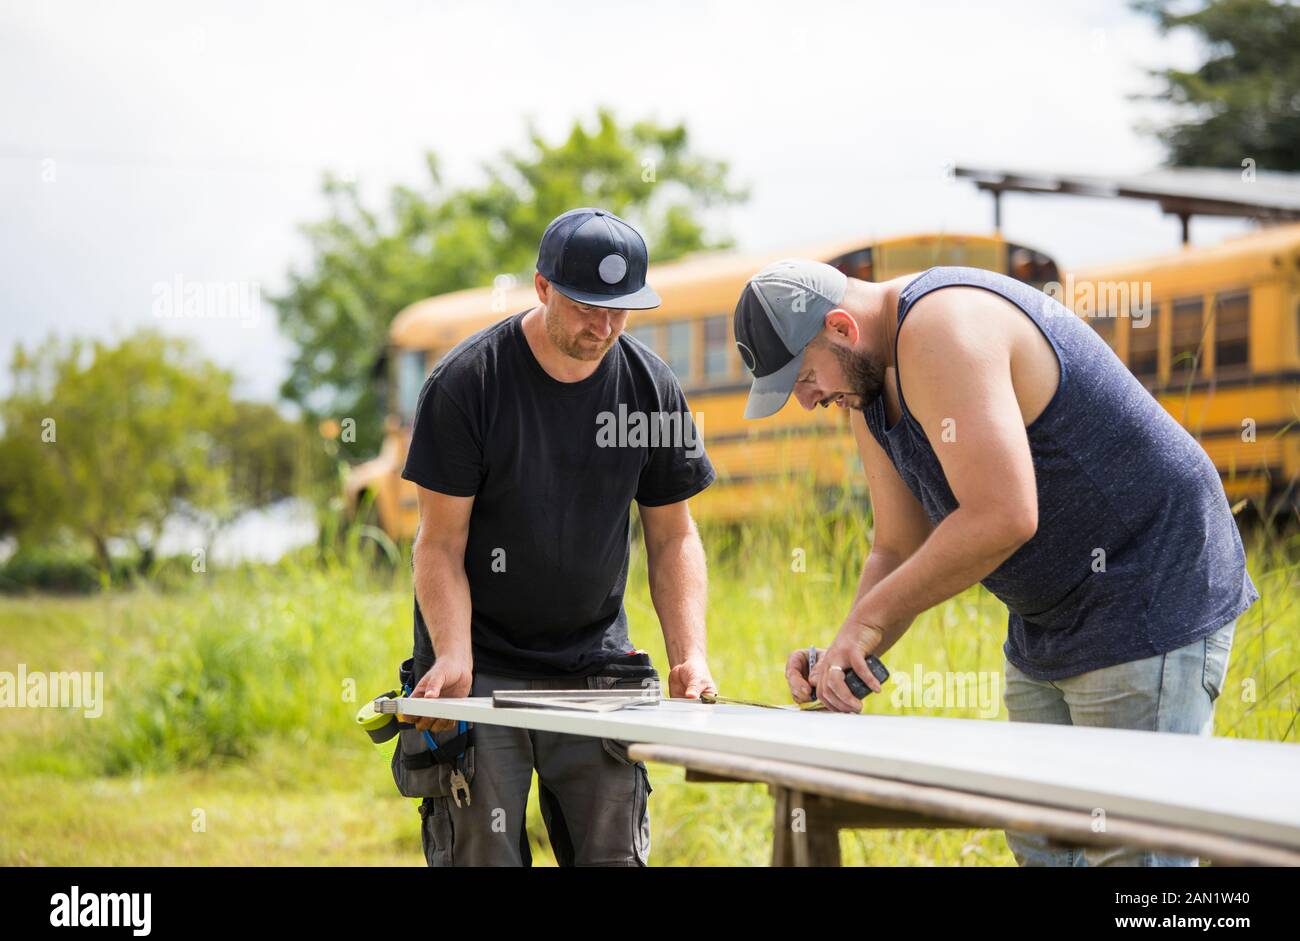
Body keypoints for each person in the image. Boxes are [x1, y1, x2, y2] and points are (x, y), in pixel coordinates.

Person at [733, 259, 1257, 867]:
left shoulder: (941, 326)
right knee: (1042, 844)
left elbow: (1003, 516)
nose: (806, 400)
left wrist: (868, 622)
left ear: (843, 329)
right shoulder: (869, 388)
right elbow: (895, 547)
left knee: (1133, 862)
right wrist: (846, 652)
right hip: (1047, 615)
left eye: (802, 377)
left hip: (1147, 584)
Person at [402, 208, 716, 866]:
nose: (602, 328)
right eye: (585, 307)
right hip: (480, 667)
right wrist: (452, 656)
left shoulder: (651, 391)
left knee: (613, 855)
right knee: (480, 855)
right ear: (542, 288)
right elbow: (438, 545)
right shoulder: (468, 386)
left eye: (620, 310)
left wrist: (690, 655)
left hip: (596, 668)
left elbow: (672, 538)